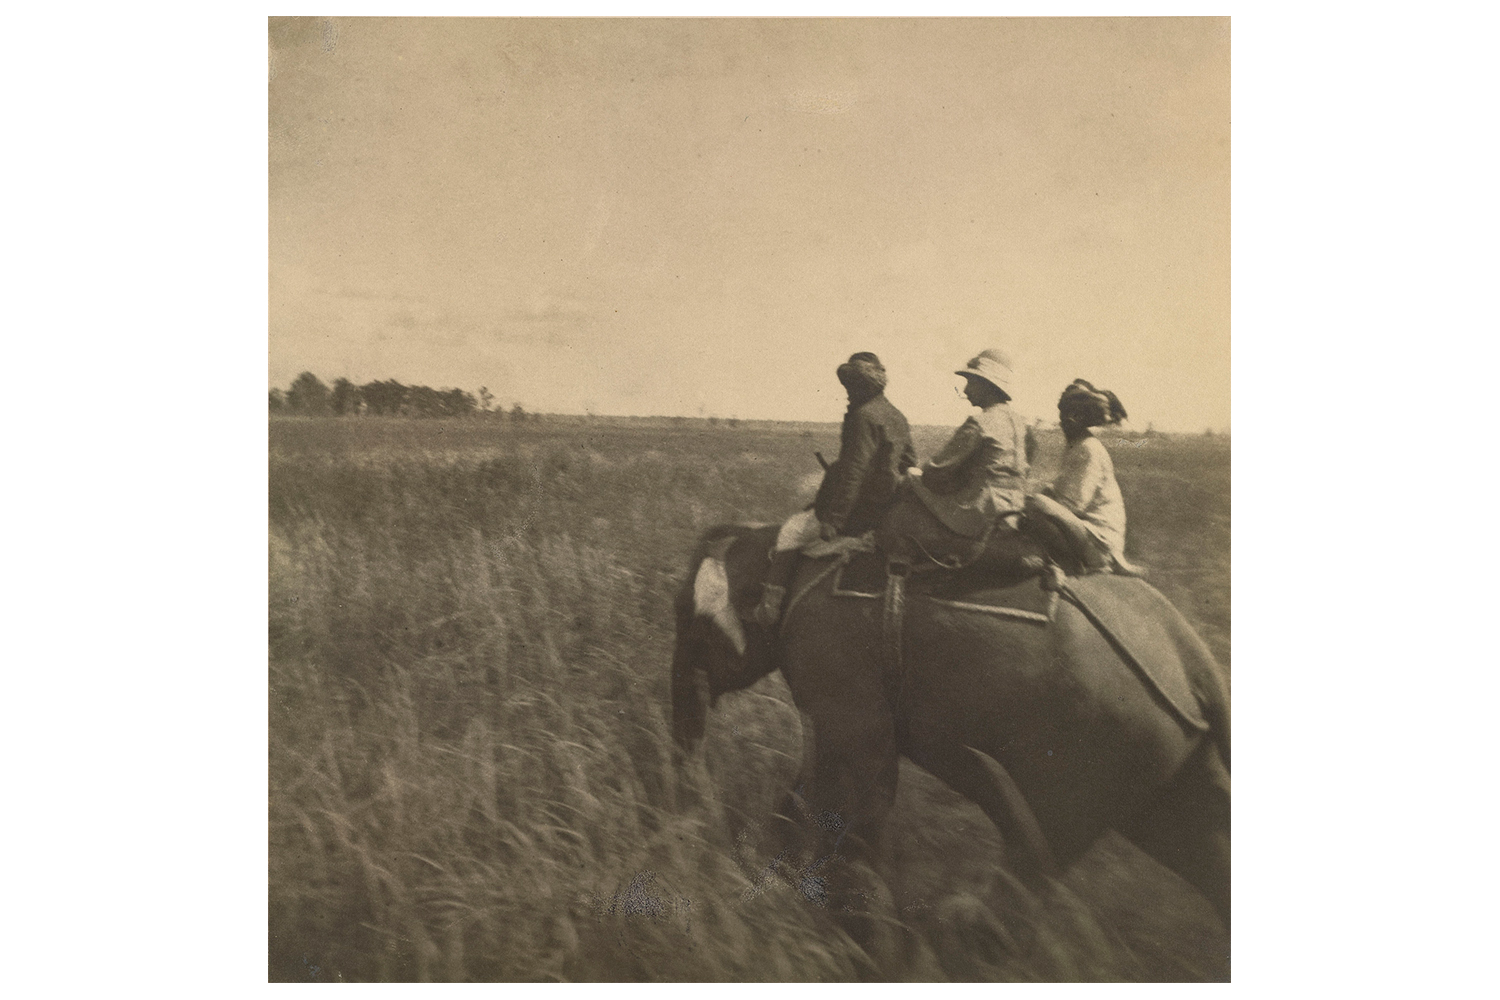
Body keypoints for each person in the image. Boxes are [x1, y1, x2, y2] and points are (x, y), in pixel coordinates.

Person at [754, 353, 917, 627]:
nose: (848, 394)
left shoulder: (862, 416)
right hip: (885, 507)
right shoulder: (897, 416)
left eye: (851, 387)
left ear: (861, 387)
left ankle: (770, 609)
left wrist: (835, 520)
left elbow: (855, 471)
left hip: (861, 511)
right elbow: (910, 462)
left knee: (792, 531)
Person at [877, 349, 1031, 570]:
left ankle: (899, 576)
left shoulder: (980, 423)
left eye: (971, 382)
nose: (966, 390)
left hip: (978, 512)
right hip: (1011, 510)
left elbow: (935, 472)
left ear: (987, 385)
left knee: (907, 490)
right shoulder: (1019, 422)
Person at [1025, 379, 1139, 575]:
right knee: (1037, 502)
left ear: (1082, 418)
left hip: (1099, 542)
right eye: (1063, 413)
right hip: (1090, 534)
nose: (1064, 420)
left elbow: (1073, 505)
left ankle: (1080, 564)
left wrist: (1034, 503)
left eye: (1071, 414)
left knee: (1036, 503)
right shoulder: (1077, 445)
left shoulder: (1088, 449)